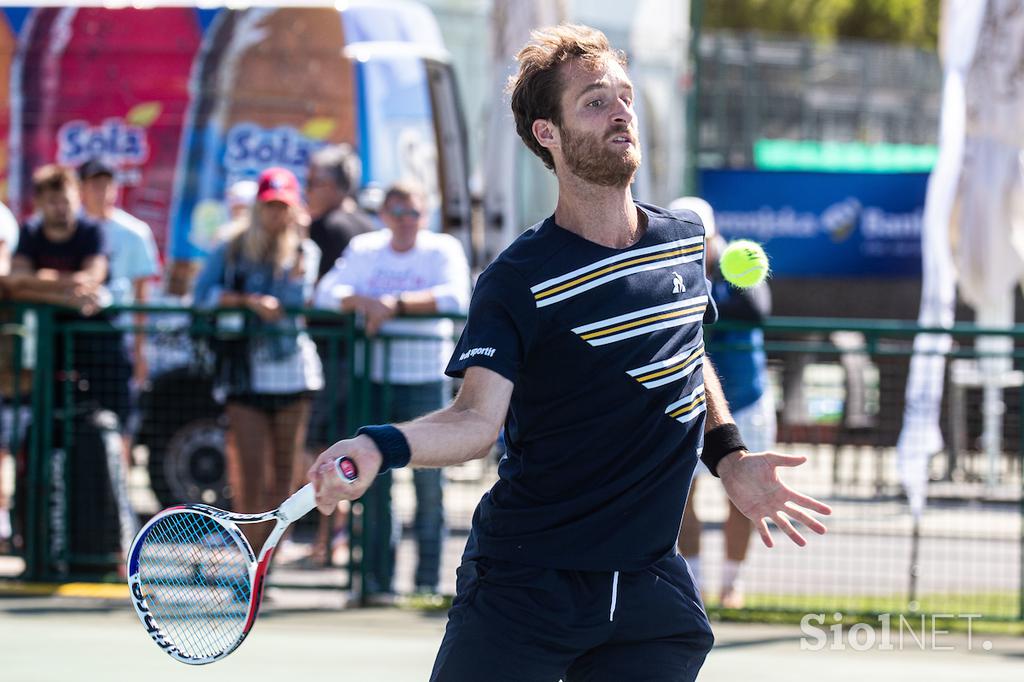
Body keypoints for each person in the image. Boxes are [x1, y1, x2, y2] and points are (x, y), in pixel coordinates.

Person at [309, 25, 830, 681]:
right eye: (593, 101)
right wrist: (379, 445)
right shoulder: (516, 278)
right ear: (546, 134)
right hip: (526, 583)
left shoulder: (680, 244)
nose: (620, 113)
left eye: (625, 97)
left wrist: (728, 458)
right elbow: (474, 419)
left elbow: (687, 358)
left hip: (648, 595)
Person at [314, 180, 470, 599]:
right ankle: (376, 582)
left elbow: (456, 297)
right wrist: (363, 303)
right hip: (375, 381)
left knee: (429, 488)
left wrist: (396, 305)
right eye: (397, 213)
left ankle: (427, 583)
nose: (405, 222)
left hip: (423, 381)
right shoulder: (366, 248)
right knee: (373, 485)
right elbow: (327, 293)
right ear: (384, 215)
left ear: (425, 214)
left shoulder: (443, 249)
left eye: (413, 212)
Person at [193, 166, 323, 552]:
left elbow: (295, 302)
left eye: (283, 207)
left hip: (292, 371)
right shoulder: (230, 246)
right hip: (244, 371)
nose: (276, 215)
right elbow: (200, 297)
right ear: (257, 208)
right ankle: (250, 558)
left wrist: (297, 245)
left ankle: (270, 564)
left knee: (284, 477)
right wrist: (245, 301)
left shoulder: (303, 250)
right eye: (269, 206)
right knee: (250, 475)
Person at [671, 196, 776, 611]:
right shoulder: (664, 265)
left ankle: (732, 585)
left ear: (714, 236)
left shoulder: (740, 260)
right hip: (688, 404)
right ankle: (693, 585)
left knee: (743, 495)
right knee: (682, 499)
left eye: (701, 236)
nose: (694, 243)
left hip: (747, 401)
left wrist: (704, 292)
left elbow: (757, 309)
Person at [78, 159, 161, 461]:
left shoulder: (134, 232)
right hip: (76, 343)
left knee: (121, 426)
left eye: (107, 183)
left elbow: (142, 299)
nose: (102, 191)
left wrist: (140, 352)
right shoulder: (70, 229)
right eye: (95, 183)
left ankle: (118, 500)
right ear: (81, 188)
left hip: (117, 347)